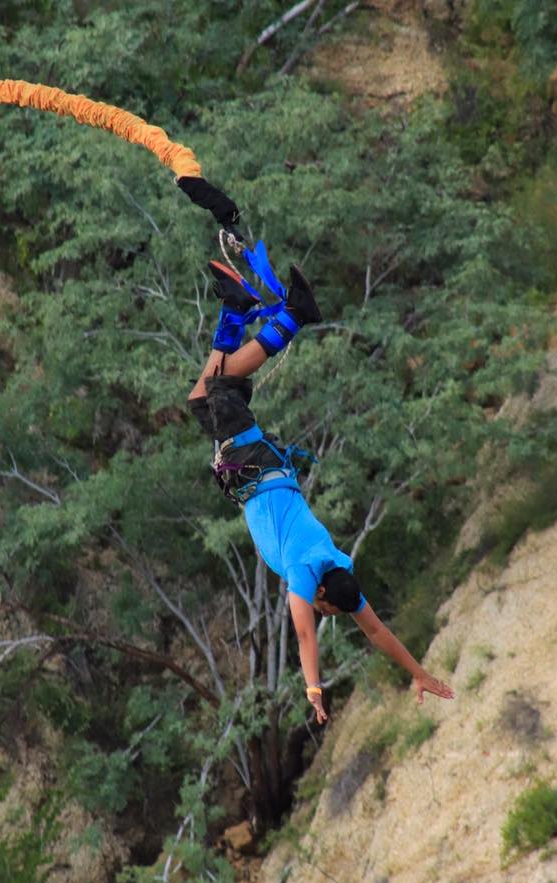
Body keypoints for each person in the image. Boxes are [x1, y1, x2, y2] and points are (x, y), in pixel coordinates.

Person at [187, 255, 455, 725]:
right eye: (324, 609)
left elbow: (376, 631)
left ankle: (265, 311)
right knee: (210, 391)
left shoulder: (339, 563)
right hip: (252, 465)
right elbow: (305, 636)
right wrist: (313, 688)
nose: (318, 612)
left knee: (217, 386)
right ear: (322, 595)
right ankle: (276, 312)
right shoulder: (307, 570)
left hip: (259, 465)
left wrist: (419, 672)